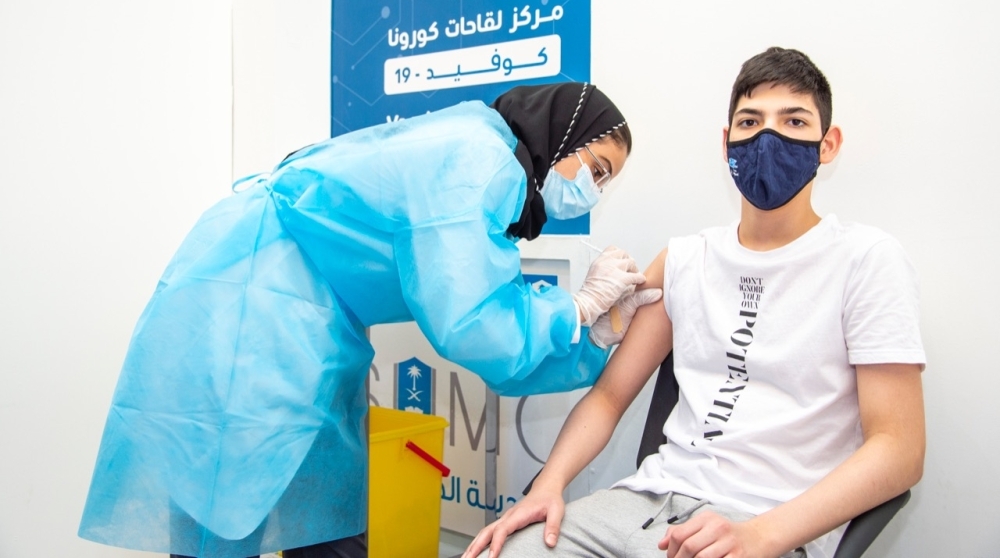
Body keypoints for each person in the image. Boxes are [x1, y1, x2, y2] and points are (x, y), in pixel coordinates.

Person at [78, 82, 662, 558]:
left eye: (605, 182)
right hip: (251, 304)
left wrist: (596, 336)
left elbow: (494, 319)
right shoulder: (480, 160)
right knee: (226, 499)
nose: (593, 191)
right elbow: (471, 322)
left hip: (306, 314)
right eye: (597, 169)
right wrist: (577, 307)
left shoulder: (486, 153)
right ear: (564, 133)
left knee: (324, 504)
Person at [464, 48, 927, 558]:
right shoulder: (685, 260)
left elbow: (899, 450)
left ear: (828, 143)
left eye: (794, 121)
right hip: (643, 502)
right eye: (750, 121)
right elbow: (609, 397)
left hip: (767, 521)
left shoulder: (866, 260)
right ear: (727, 143)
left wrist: (762, 535)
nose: (768, 137)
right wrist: (548, 485)